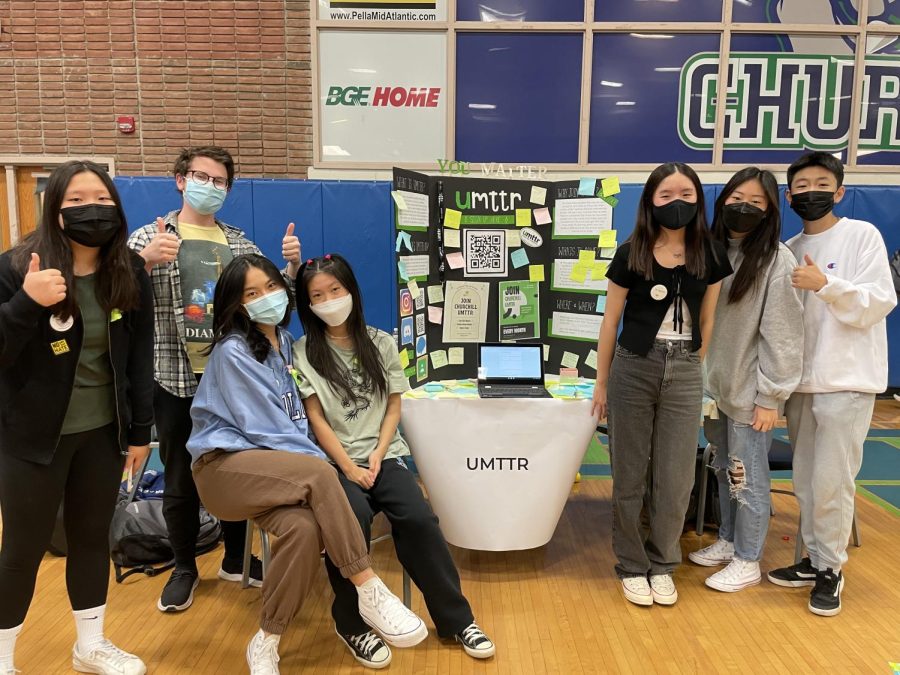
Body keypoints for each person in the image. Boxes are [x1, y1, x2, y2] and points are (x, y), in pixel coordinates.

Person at [187, 253, 427, 675]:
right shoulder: (234, 352)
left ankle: (267, 639)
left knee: (303, 530)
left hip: (272, 473)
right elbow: (268, 431)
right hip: (224, 469)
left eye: (272, 287)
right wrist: (330, 467)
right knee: (320, 472)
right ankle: (368, 587)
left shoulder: (282, 347)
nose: (266, 297)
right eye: (251, 293)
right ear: (235, 304)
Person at [292, 254, 495, 668]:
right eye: (317, 295)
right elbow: (315, 417)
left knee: (419, 518)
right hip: (336, 467)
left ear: (351, 291)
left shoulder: (381, 341)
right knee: (352, 521)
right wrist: (348, 467)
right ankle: (352, 624)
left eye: (335, 290)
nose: (329, 300)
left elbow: (393, 407)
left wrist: (379, 454)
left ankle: (457, 619)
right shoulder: (303, 352)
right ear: (307, 304)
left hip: (385, 457)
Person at [127, 146, 302, 613]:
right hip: (174, 377)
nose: (211, 186)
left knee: (239, 470)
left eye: (220, 181)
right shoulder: (150, 235)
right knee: (182, 477)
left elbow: (270, 297)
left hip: (235, 380)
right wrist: (142, 262)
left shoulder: (240, 243)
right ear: (181, 179)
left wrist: (290, 269)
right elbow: (114, 302)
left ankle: (233, 559)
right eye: (201, 176)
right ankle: (185, 567)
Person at [0, 161, 154, 674]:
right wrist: (26, 301)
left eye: (103, 199)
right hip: (31, 438)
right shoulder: (17, 265)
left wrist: (140, 432)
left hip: (102, 434)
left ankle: (90, 645)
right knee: (21, 548)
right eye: (76, 200)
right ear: (54, 207)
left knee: (91, 539)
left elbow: (139, 356)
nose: (92, 208)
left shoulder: (128, 269)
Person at [590, 162, 732, 607]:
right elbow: (611, 321)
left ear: (699, 200)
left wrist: (695, 362)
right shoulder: (632, 251)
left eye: (687, 195)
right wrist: (601, 383)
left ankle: (663, 562)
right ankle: (632, 564)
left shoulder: (709, 253)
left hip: (685, 368)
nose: (677, 203)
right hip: (634, 366)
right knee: (629, 473)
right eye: (667, 195)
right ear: (651, 200)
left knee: (675, 477)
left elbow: (708, 318)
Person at [766, 152, 896, 616]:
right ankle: (812, 559)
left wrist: (826, 284)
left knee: (832, 481)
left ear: (839, 191)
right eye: (801, 186)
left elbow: (880, 300)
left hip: (847, 381)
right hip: (802, 384)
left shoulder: (863, 236)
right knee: (805, 481)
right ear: (789, 195)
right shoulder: (790, 245)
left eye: (821, 184)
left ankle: (831, 571)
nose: (811, 192)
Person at [689, 167, 804, 591]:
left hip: (749, 394)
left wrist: (771, 397)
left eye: (757, 202)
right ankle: (728, 539)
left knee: (747, 476)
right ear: (722, 201)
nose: (745, 207)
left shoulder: (777, 260)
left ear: (771, 210)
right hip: (713, 390)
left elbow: (784, 336)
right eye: (738, 197)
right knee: (723, 470)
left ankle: (748, 558)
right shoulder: (711, 251)